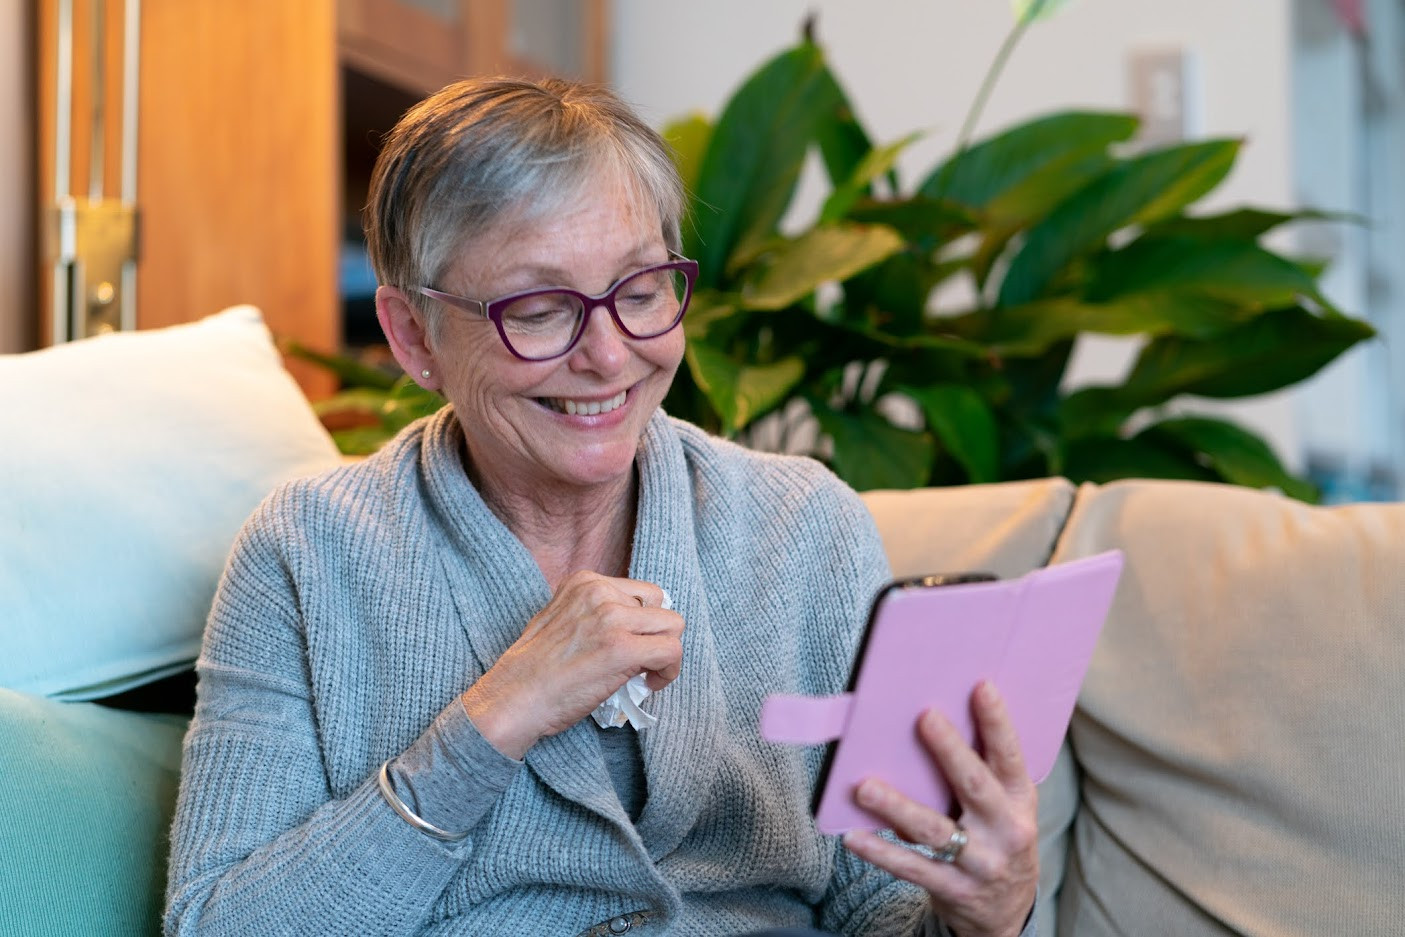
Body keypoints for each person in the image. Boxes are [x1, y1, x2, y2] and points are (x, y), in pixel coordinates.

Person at [164, 75, 1040, 937]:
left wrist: (979, 919)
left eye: (641, 290)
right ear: (411, 335)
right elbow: (216, 925)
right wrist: (495, 716)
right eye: (541, 309)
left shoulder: (805, 526)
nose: (610, 356)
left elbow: (874, 906)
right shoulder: (307, 552)